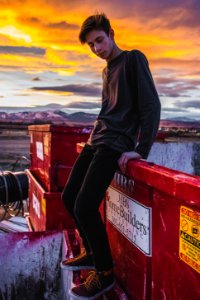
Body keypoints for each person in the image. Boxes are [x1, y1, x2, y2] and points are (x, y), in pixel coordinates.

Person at [61, 13, 161, 299]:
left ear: (112, 34)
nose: (97, 49)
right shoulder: (106, 71)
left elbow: (151, 106)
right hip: (97, 139)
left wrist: (140, 150)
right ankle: (91, 253)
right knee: (69, 197)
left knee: (84, 206)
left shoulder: (133, 60)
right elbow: (108, 110)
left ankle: (104, 273)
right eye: (91, 45)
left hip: (115, 143)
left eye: (99, 41)